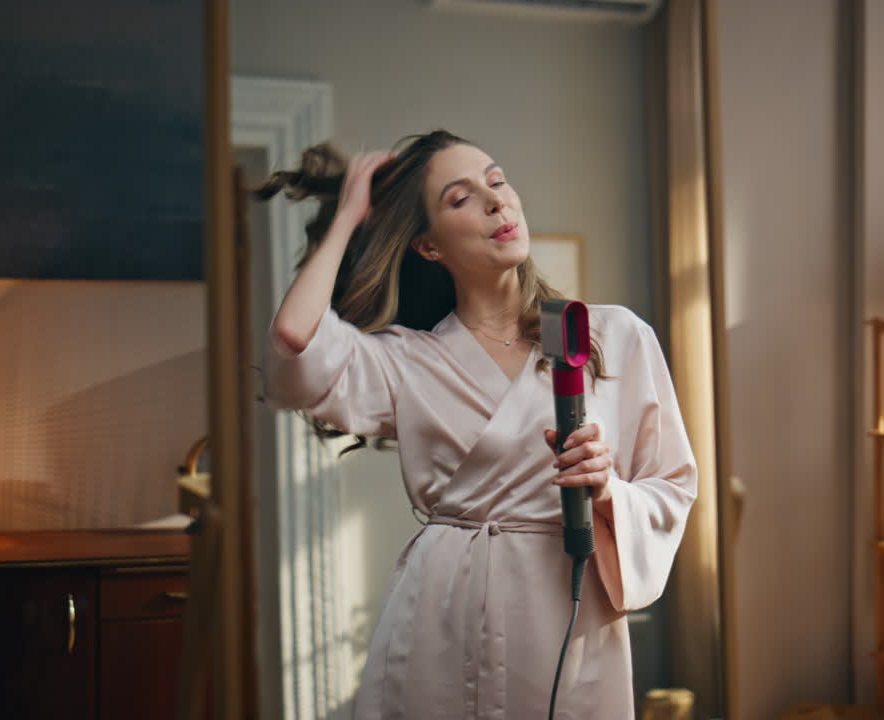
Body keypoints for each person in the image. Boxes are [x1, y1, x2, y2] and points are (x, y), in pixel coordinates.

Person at [258, 129, 698, 719]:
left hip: (565, 606)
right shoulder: (406, 360)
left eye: (497, 181)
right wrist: (347, 219)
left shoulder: (612, 336)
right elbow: (295, 339)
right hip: (442, 611)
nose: (496, 201)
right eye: (461, 198)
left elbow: (672, 485)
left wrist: (606, 490)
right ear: (428, 246)